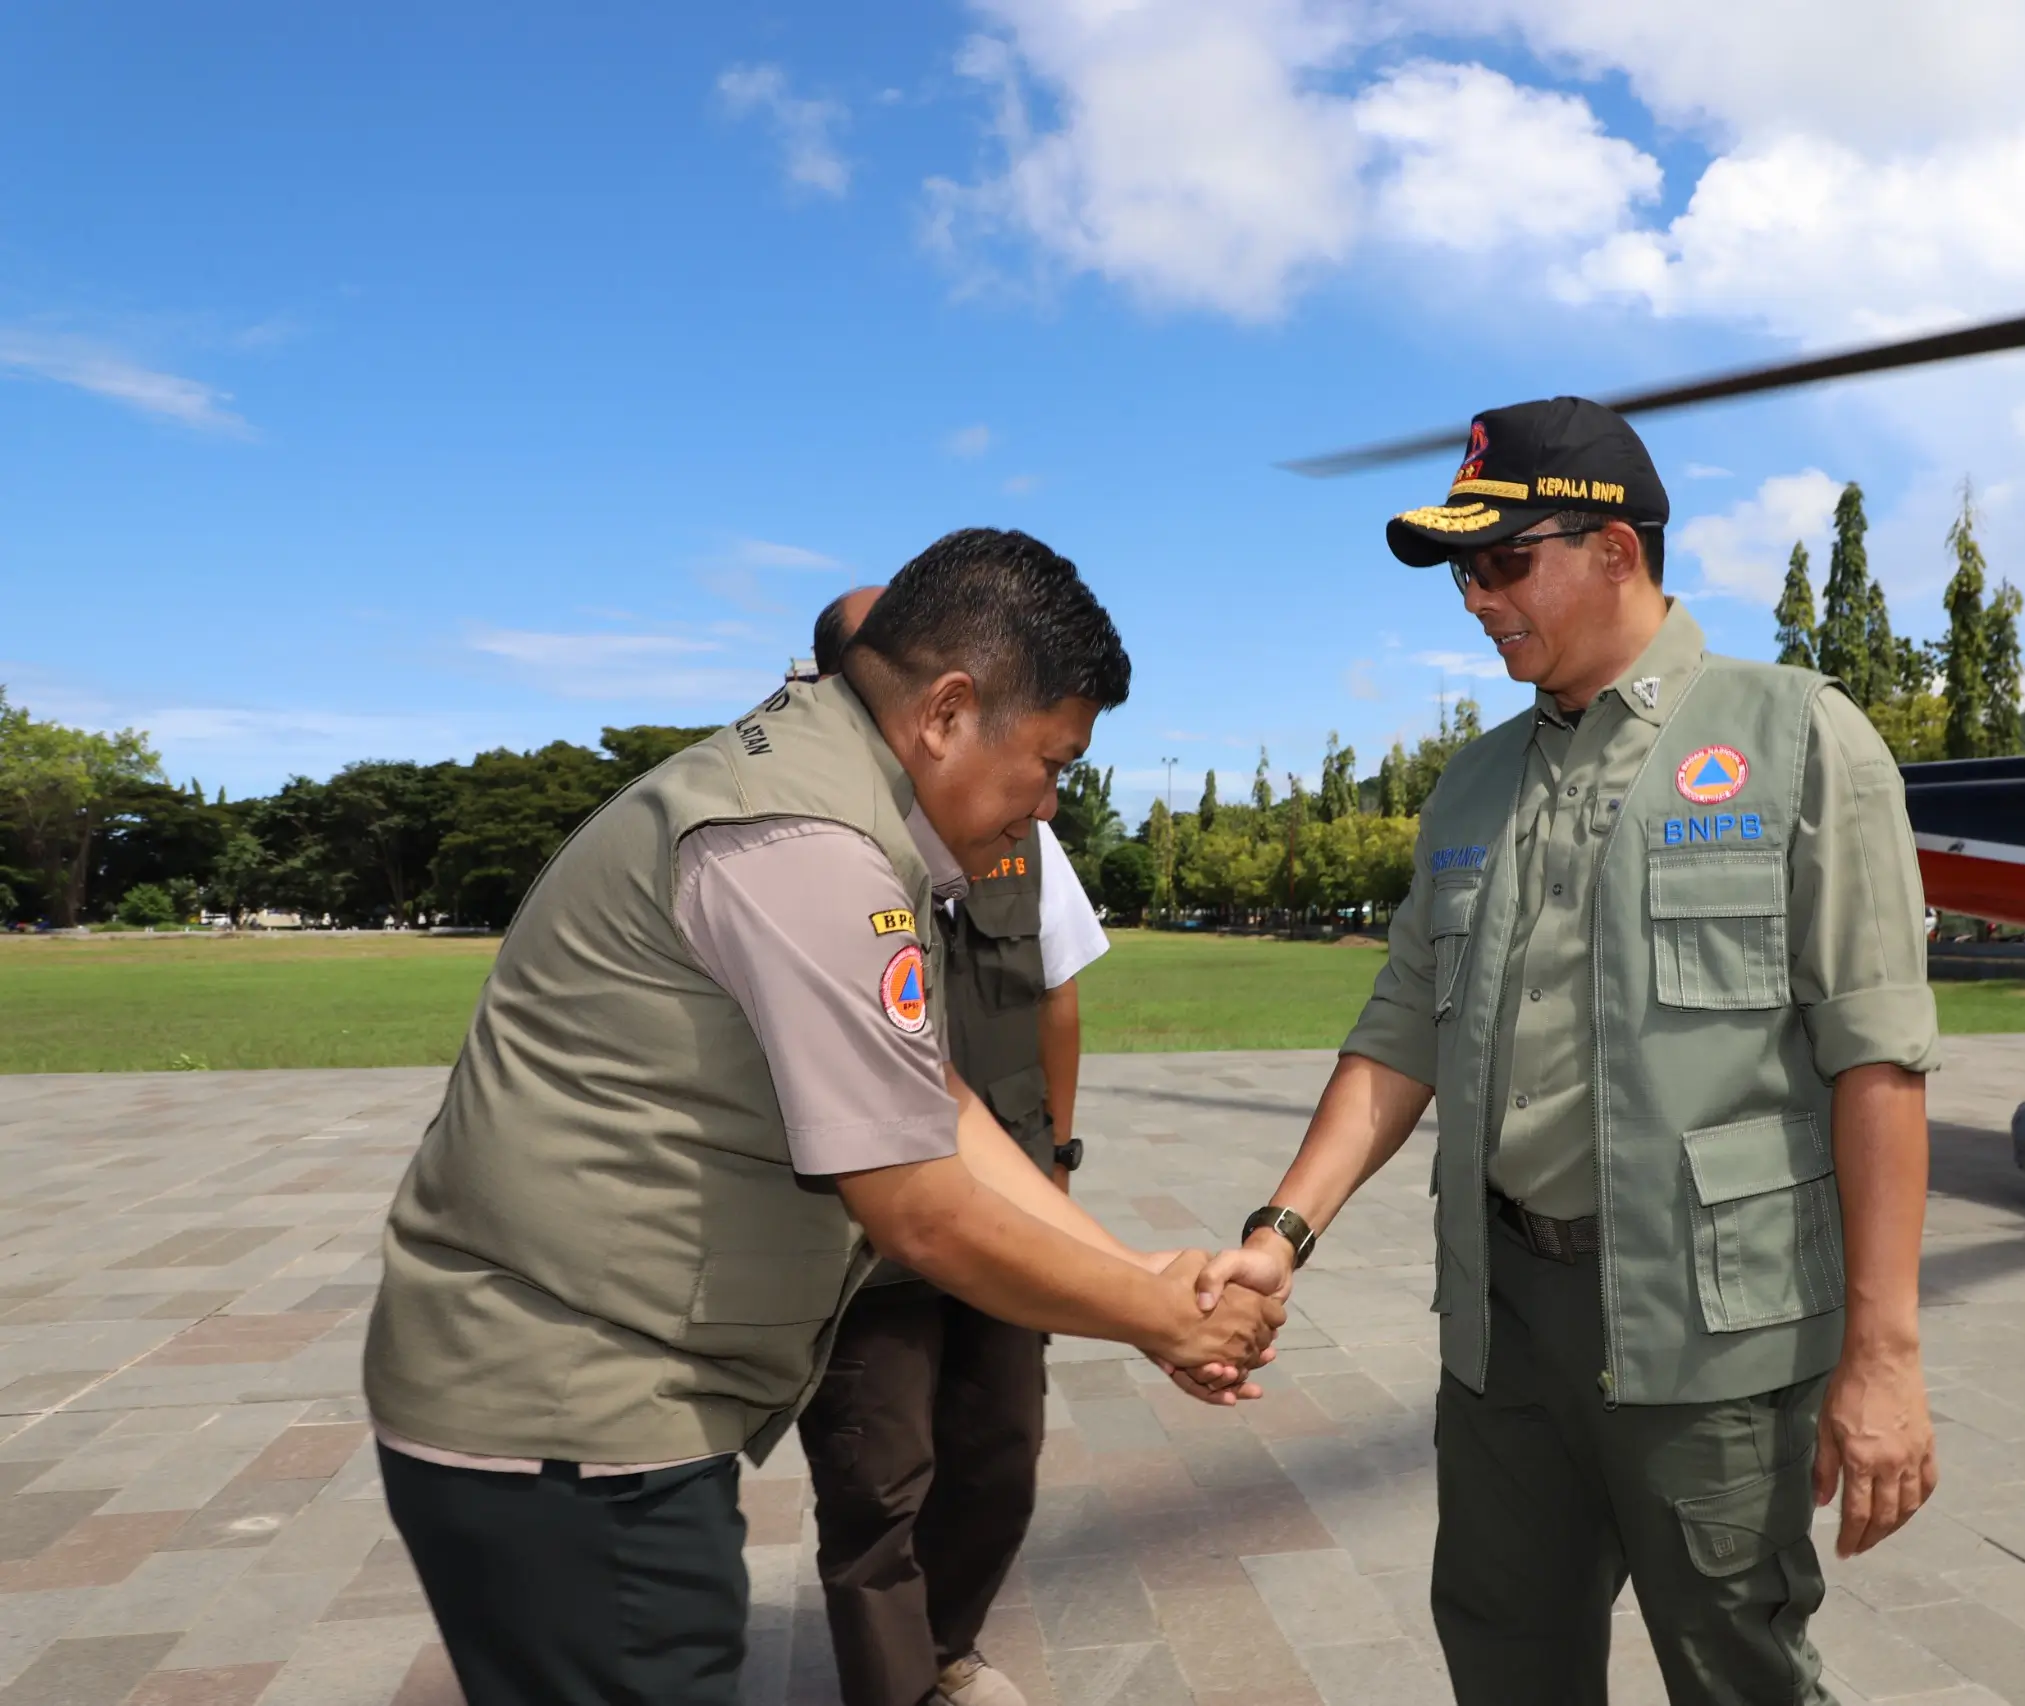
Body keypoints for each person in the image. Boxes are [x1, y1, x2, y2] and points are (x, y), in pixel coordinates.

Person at [363, 530, 1282, 1706]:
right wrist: (1158, 1314)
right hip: (564, 1423)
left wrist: (1135, 1264)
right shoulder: (807, 843)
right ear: (949, 710)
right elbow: (919, 1210)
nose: (1050, 802)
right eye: (1050, 760)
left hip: (580, 1408)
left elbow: (930, 1096)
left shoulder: (830, 800)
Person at [1200, 399, 1941, 1704]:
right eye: (1462, 573)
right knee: (1505, 1658)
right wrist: (1280, 1231)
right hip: (1506, 1330)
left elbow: (1875, 1061)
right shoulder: (1475, 785)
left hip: (1709, 1340)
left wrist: (1883, 1356)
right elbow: (1401, 1029)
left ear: (1614, 550)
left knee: (1739, 1670)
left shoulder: (1798, 740)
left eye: (1501, 562)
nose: (1476, 600)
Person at [797, 587, 1108, 1706]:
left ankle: (943, 1647)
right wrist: (1161, 1308)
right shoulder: (805, 847)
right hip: (860, 1240)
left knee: (1000, 1456)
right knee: (876, 1484)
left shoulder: (1017, 832)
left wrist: (1058, 1157)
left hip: (1004, 1192)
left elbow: (1054, 1000)